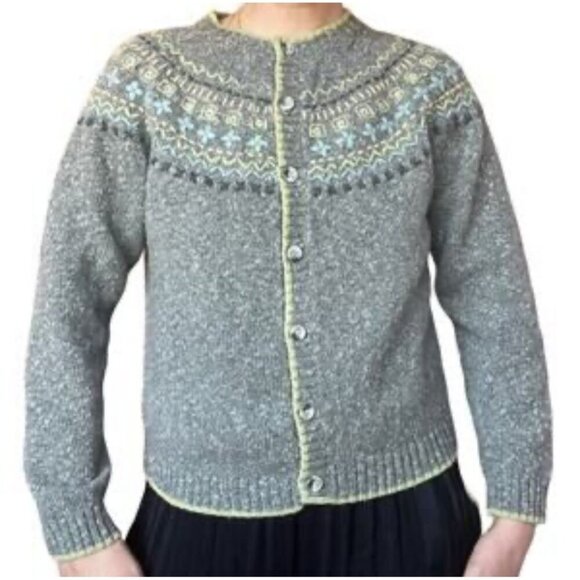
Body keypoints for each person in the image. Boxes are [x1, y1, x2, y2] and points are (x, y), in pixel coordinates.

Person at [23, 2, 552, 576]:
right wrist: (76, 528)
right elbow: (69, 300)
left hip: (408, 512)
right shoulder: (147, 83)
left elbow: (495, 297)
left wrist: (517, 510)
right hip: (201, 518)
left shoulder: (424, 86)